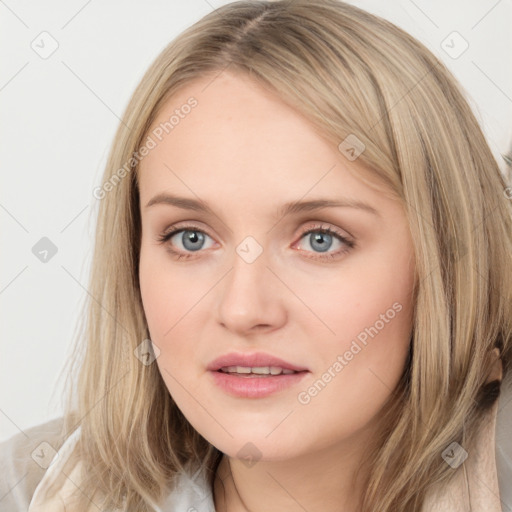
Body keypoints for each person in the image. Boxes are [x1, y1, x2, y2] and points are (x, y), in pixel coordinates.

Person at [1, 1, 511, 511]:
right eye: (191, 238)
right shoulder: (26, 488)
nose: (242, 310)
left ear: (446, 263)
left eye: (320, 239)